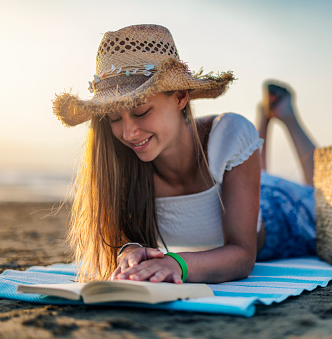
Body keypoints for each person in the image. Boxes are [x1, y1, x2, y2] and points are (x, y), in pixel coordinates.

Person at [53, 24, 317, 284]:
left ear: (180, 97)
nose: (129, 133)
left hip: (281, 210)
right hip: (244, 183)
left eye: (142, 112)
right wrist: (129, 250)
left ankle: (286, 116)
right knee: (259, 171)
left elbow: (243, 256)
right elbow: (120, 239)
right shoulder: (116, 163)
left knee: (320, 196)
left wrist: (176, 263)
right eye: (113, 118)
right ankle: (268, 117)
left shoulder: (228, 135)